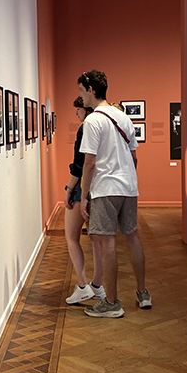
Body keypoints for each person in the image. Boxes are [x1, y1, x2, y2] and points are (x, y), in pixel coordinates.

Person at [77, 70, 151, 318]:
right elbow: (134, 156)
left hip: (105, 188)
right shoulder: (123, 117)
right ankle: (143, 294)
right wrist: (128, 179)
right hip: (128, 187)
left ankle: (111, 302)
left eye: (81, 90)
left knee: (107, 243)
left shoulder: (93, 121)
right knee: (132, 237)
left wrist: (84, 195)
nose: (80, 96)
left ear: (90, 89)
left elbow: (89, 162)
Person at [64, 97, 105, 305]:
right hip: (100, 188)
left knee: (71, 236)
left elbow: (80, 165)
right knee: (96, 240)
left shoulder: (85, 129)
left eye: (77, 110)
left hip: (82, 188)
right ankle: (97, 286)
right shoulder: (103, 125)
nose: (76, 114)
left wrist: (69, 189)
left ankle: (82, 286)